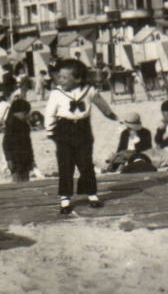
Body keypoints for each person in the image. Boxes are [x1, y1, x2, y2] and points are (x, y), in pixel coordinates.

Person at [42, 57, 119, 216]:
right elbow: (49, 112)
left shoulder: (88, 90)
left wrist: (110, 114)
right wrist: (50, 130)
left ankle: (91, 193)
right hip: (64, 129)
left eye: (64, 77)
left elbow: (100, 102)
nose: (60, 80)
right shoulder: (56, 93)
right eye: (59, 77)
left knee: (85, 163)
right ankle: (65, 198)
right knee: (65, 165)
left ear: (77, 79)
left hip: (83, 129)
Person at [2, 91, 35, 182]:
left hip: (25, 157)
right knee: (17, 181)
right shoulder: (11, 125)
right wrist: (9, 159)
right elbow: (6, 144)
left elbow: (29, 143)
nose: (27, 115)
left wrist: (32, 159)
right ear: (16, 113)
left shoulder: (25, 125)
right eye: (25, 113)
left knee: (25, 180)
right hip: (15, 159)